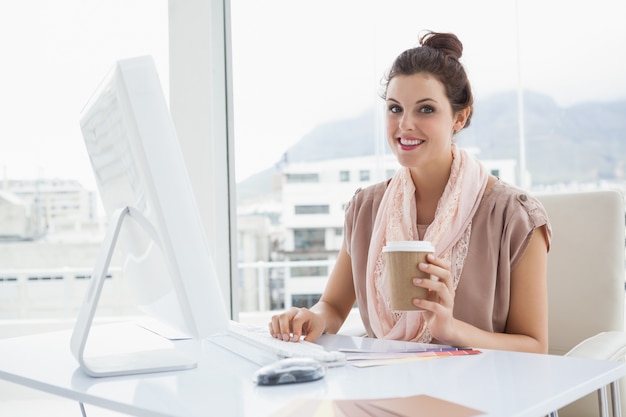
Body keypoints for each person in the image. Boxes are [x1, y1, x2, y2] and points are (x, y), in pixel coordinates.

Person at [269, 31, 552, 354]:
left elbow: (535, 347)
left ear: (460, 117)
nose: (405, 124)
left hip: (486, 393)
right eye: (394, 108)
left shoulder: (514, 216)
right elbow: (333, 306)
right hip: (383, 384)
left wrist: (451, 329)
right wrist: (311, 318)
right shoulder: (365, 208)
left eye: (426, 109)